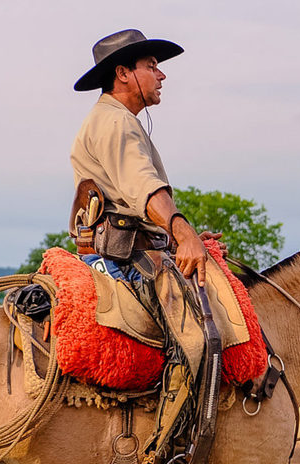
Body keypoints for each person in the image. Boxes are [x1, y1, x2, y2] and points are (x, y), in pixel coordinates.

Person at [70, 28, 209, 278]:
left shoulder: (111, 118)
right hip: (123, 261)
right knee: (200, 316)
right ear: (123, 73)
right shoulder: (116, 121)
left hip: (128, 253)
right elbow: (144, 187)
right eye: (152, 66)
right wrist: (183, 234)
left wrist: (180, 239)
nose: (162, 75)